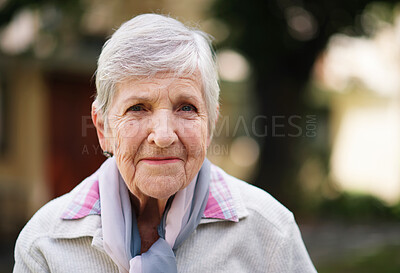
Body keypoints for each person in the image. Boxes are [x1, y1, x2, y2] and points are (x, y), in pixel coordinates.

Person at [13, 14, 317, 273]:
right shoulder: (45, 243)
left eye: (186, 107)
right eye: (138, 108)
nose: (163, 136)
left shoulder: (269, 231)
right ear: (103, 126)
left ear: (209, 123)